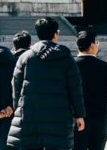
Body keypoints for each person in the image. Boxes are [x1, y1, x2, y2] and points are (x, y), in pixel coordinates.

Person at [7, 17, 85, 150]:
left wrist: (18, 108)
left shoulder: (25, 57)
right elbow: (75, 88)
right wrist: (79, 114)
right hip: (59, 116)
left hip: (30, 115)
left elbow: (16, 87)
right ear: (56, 34)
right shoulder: (66, 58)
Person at [74, 31, 107, 150]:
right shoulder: (105, 67)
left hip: (76, 117)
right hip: (99, 117)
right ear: (92, 45)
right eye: (97, 42)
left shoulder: (71, 66)